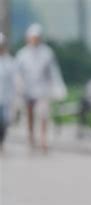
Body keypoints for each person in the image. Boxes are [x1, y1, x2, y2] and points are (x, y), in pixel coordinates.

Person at [16, 23, 66, 152]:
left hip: (43, 89)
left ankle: (43, 139)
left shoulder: (47, 53)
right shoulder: (22, 54)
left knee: (43, 115)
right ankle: (31, 137)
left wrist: (58, 88)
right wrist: (19, 87)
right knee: (30, 114)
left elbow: (53, 72)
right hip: (28, 89)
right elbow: (17, 74)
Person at [0, 33, 16, 152]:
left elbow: (15, 81)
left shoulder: (10, 62)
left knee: (4, 122)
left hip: (5, 98)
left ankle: (2, 141)